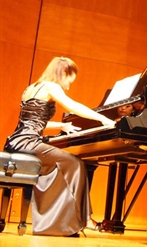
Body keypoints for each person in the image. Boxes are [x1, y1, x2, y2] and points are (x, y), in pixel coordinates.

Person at [4, 56, 116, 237]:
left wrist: (62, 126)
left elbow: (32, 122)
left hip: (14, 143)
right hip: (29, 143)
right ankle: (80, 220)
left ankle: (63, 222)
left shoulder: (31, 88)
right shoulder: (51, 86)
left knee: (60, 166)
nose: (69, 85)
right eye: (69, 80)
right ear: (63, 72)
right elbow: (72, 105)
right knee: (75, 163)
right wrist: (102, 118)